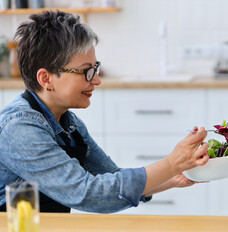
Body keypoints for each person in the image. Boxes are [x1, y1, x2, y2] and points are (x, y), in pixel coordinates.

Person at [0, 10, 209, 213]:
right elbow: (87, 193)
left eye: (95, 68)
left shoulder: (69, 124)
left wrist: (172, 177)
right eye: (86, 71)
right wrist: (171, 164)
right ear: (46, 79)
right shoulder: (19, 128)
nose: (97, 80)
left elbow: (111, 177)